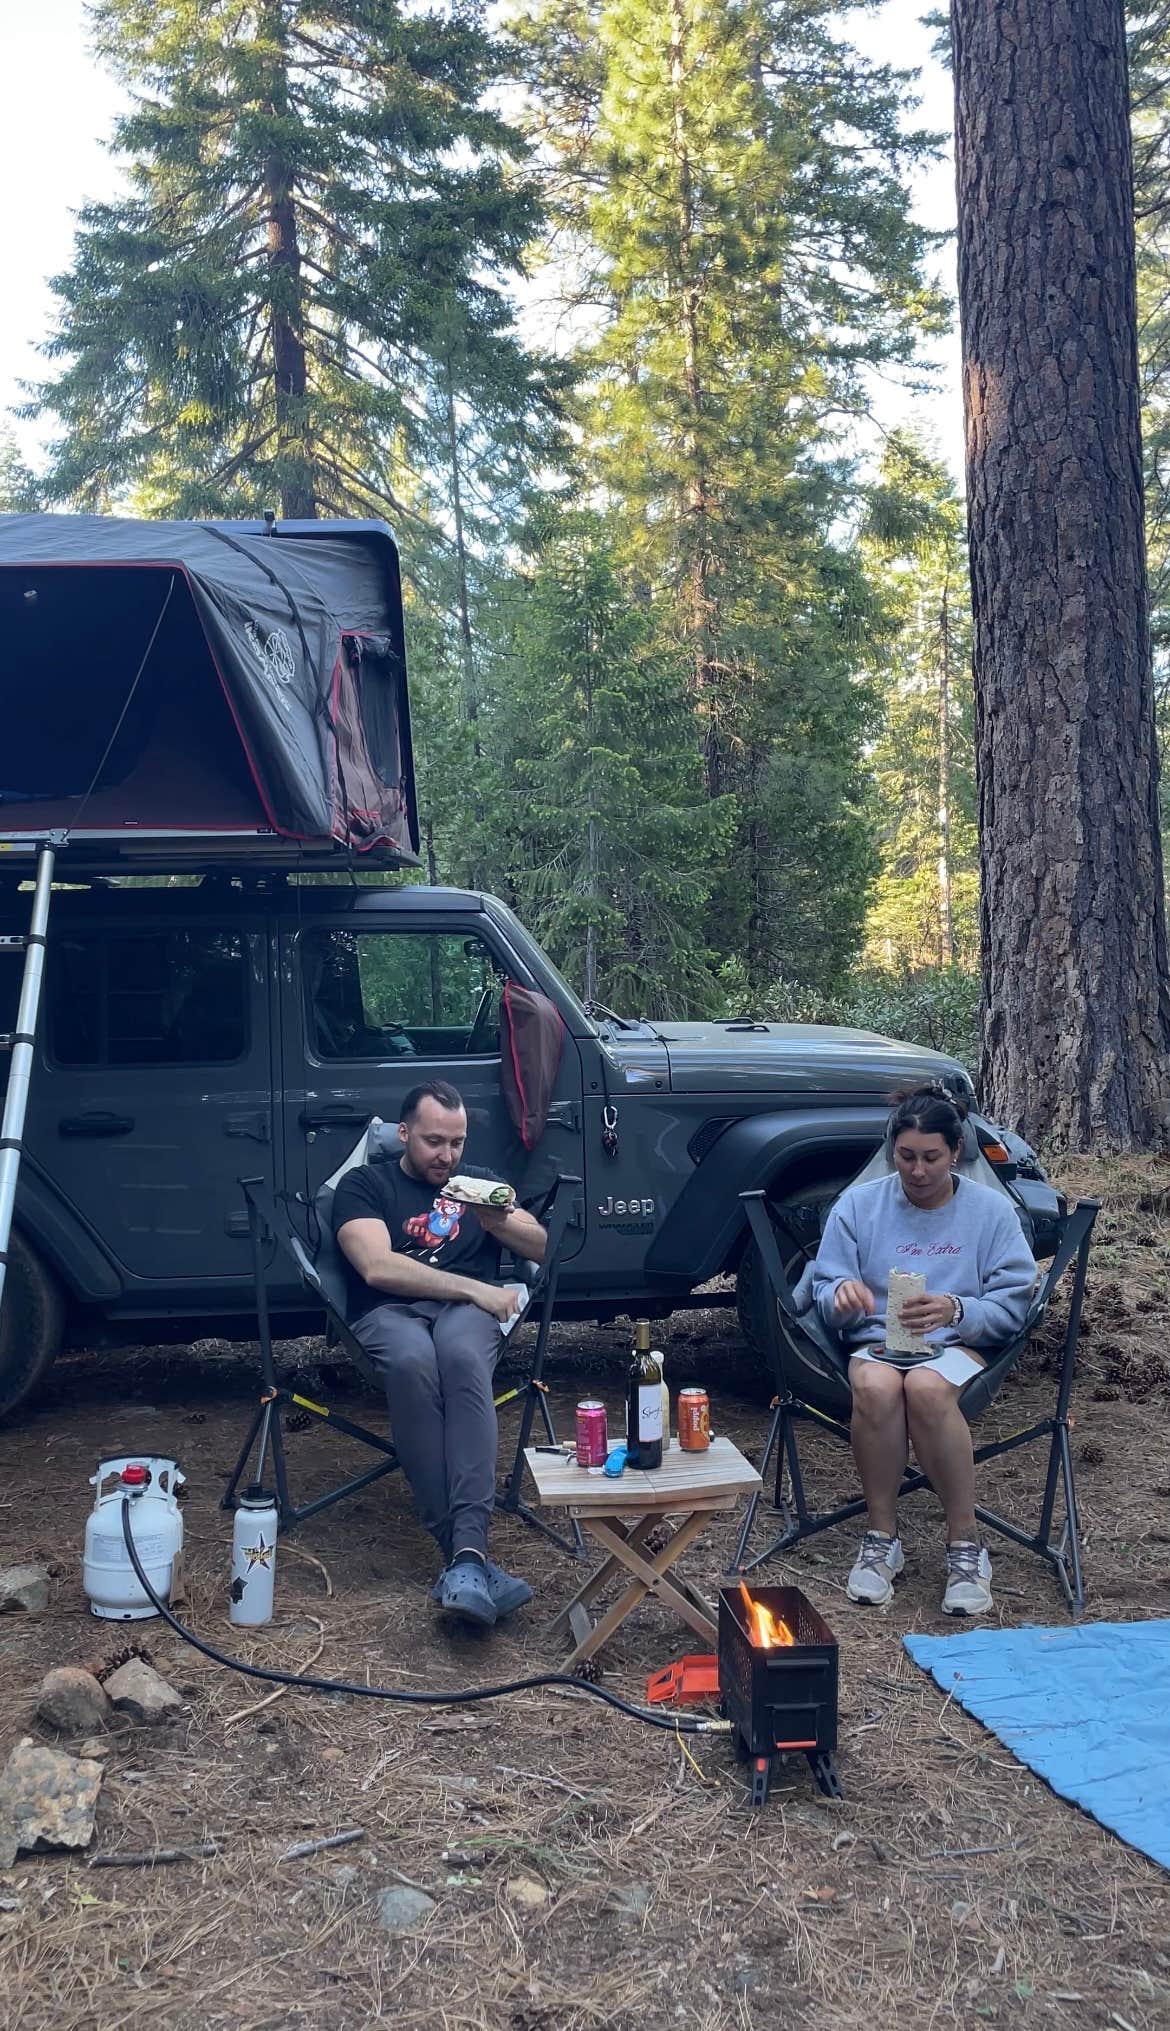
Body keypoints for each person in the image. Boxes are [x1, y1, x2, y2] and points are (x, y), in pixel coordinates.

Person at [810, 1082, 1036, 1616]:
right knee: (874, 1384)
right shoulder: (859, 1206)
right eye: (906, 1156)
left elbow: (1014, 1305)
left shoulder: (990, 1212)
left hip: (958, 1344)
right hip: (879, 1343)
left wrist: (957, 1309)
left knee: (928, 1390)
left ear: (955, 1152)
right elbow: (824, 1290)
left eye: (931, 1157)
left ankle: (964, 1544)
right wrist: (843, 1298)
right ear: (892, 1152)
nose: (917, 1170)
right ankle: (881, 1539)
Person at [333, 1079, 547, 1629]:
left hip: (462, 1320)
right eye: (432, 1142)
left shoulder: (480, 1185)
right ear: (403, 1134)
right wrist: (475, 1288)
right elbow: (377, 1267)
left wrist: (496, 1220)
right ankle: (466, 1553)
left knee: (461, 1358)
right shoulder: (365, 1183)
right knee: (411, 1363)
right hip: (388, 1311)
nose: (446, 1156)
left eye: (456, 1143)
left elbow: (544, 1245)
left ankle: (465, 1557)